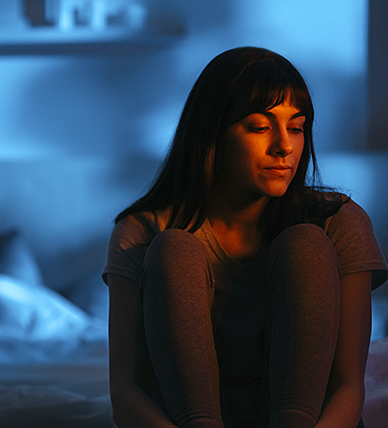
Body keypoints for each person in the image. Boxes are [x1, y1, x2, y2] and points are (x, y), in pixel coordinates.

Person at [104, 47, 388, 428]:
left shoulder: (337, 221)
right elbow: (126, 394)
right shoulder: (141, 230)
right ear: (212, 133)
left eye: (296, 127)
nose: (284, 146)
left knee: (306, 244)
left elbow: (349, 388)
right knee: (174, 249)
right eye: (259, 127)